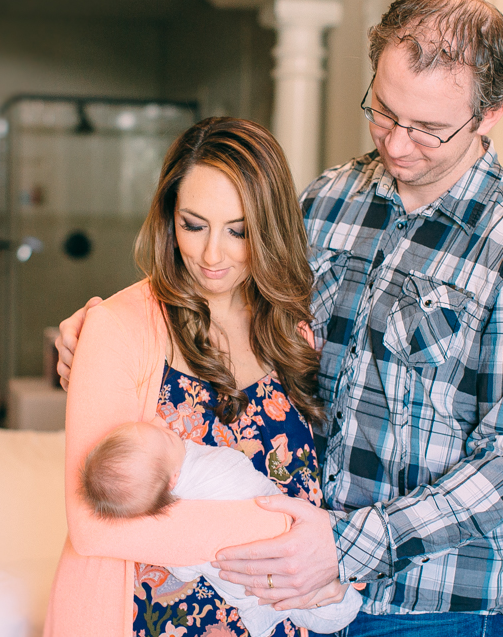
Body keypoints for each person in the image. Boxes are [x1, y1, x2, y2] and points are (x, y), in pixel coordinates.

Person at [56, 0, 503, 637]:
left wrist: (345, 543)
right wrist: (109, 325)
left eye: (427, 128)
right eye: (383, 113)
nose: (397, 143)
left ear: (490, 114)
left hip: (431, 602)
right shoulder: (328, 201)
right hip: (301, 585)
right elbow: (228, 283)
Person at [44, 116, 351, 637]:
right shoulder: (116, 328)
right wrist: (295, 536)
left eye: (238, 231)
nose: (212, 255)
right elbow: (93, 524)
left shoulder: (292, 327)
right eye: (194, 224)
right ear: (169, 218)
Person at [79, 420, 363, 637]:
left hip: (277, 565)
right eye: (166, 436)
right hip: (281, 556)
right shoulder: (203, 477)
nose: (165, 426)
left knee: (316, 602)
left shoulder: (179, 505)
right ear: (172, 480)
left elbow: (185, 569)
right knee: (328, 608)